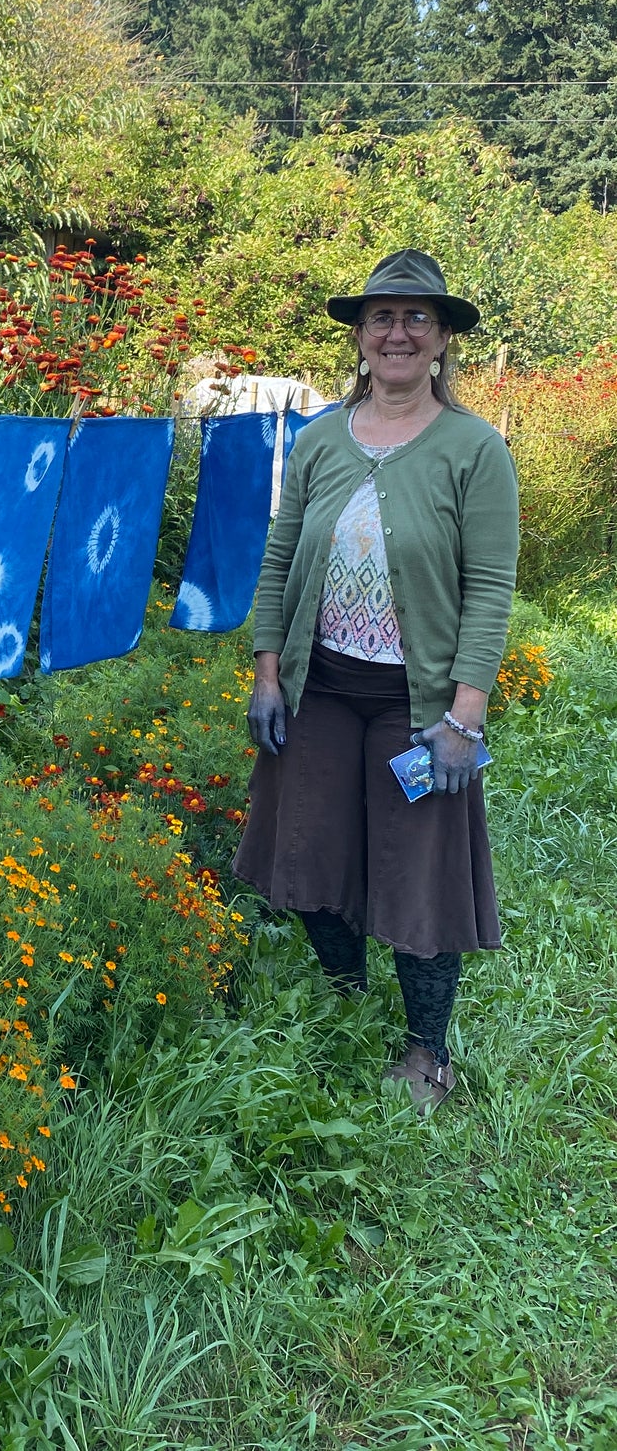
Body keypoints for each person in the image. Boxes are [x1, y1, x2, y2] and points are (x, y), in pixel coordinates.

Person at [234, 249, 519, 1115]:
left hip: (416, 699)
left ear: (440, 341)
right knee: (307, 844)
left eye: (416, 319)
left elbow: (488, 587)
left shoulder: (473, 449)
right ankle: (345, 996)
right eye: (381, 318)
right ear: (358, 337)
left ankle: (426, 1049)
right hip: (320, 687)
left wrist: (463, 716)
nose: (397, 333)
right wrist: (267, 669)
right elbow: (280, 557)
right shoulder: (322, 436)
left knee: (416, 864)